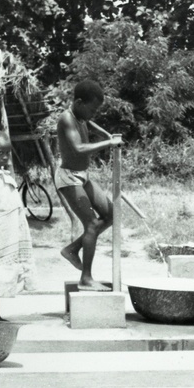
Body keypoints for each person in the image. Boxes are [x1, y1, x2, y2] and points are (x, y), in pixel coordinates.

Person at [55, 80, 123, 291]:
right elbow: (78, 148)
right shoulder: (67, 118)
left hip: (82, 176)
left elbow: (89, 123)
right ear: (79, 102)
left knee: (112, 214)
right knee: (92, 224)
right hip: (69, 178)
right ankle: (86, 278)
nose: (93, 114)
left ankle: (72, 249)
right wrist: (109, 143)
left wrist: (105, 134)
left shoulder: (81, 116)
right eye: (92, 110)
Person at [0, 130, 36, 321]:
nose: (4, 157)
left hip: (8, 231)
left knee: (3, 269)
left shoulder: (2, 173)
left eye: (7, 153)